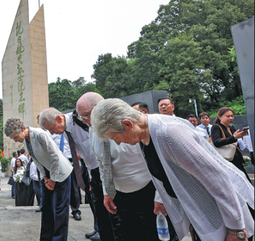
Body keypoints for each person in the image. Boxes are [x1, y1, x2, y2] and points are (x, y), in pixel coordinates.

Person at [91, 98, 254, 241]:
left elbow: (218, 178)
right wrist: (163, 200)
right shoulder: (143, 135)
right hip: (205, 213)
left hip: (229, 217)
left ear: (127, 124)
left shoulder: (168, 134)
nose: (118, 143)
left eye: (116, 138)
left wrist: (237, 229)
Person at [83, 93, 177, 241]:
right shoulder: (92, 130)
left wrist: (161, 196)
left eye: (87, 115)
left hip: (148, 191)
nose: (85, 121)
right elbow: (101, 162)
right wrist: (107, 191)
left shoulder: (132, 127)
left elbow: (159, 163)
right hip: (120, 195)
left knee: (154, 235)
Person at [39, 105, 110, 241]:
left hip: (104, 170)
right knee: (99, 208)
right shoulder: (65, 130)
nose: (52, 133)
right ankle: (100, 231)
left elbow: (98, 152)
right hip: (92, 172)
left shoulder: (81, 123)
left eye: (52, 129)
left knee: (109, 211)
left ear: (59, 119)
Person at [5, 117, 72, 241]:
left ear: (21, 129)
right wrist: (45, 177)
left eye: (15, 137)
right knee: (45, 207)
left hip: (60, 172)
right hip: (46, 174)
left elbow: (55, 156)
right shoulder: (26, 140)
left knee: (60, 210)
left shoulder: (40, 134)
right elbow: (36, 160)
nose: (15, 141)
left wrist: (53, 178)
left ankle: (58, 238)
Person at [49, 129, 82, 221]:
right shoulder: (50, 133)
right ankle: (60, 211)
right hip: (58, 162)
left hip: (71, 161)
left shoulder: (71, 133)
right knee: (58, 188)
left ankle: (75, 211)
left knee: (74, 188)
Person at [211, 107, 250, 180]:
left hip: (237, 159)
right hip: (227, 160)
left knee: (245, 181)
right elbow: (216, 142)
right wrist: (234, 137)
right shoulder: (216, 127)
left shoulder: (231, 127)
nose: (231, 118)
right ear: (220, 117)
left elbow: (235, 142)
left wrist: (241, 134)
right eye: (228, 116)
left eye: (232, 116)